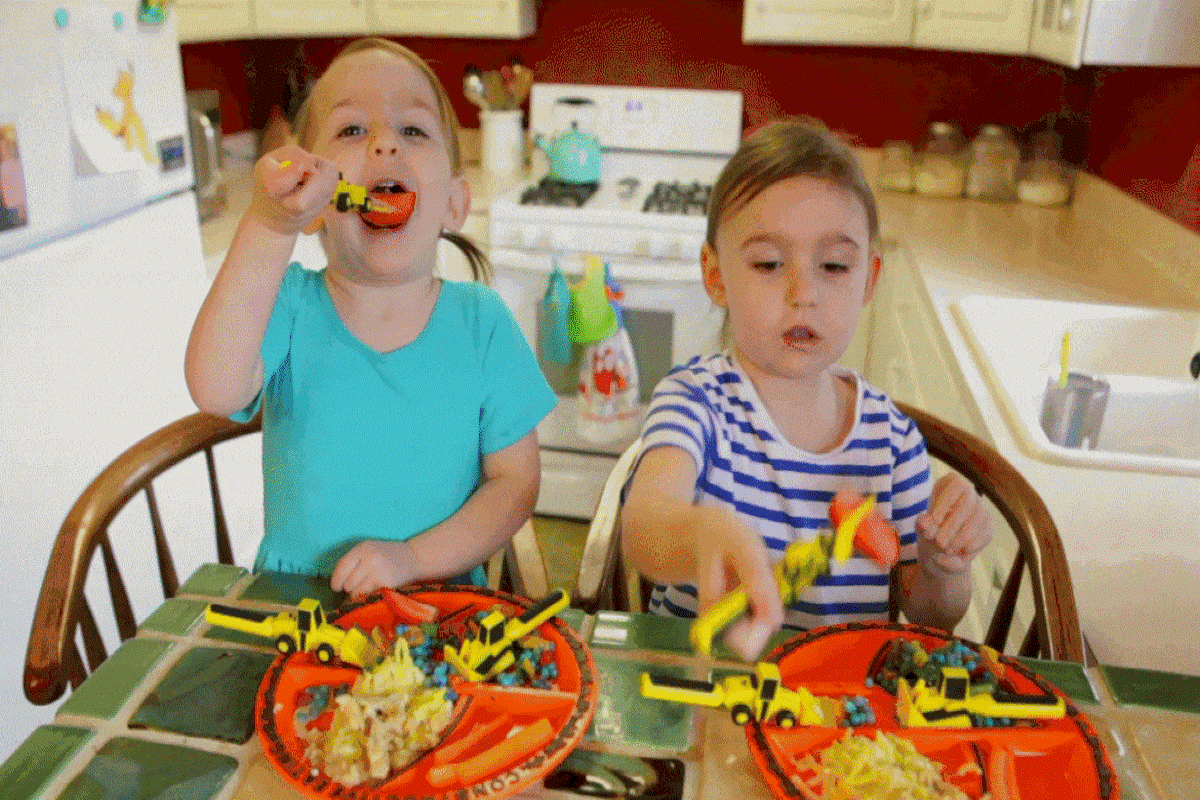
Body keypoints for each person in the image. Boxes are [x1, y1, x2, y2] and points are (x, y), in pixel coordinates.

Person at [185, 38, 555, 596]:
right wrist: (268, 223)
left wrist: (412, 558)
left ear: (455, 203)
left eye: (414, 130)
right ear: (316, 203)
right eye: (352, 129)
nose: (384, 143)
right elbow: (214, 389)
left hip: (440, 607)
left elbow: (516, 485)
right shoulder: (288, 305)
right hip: (300, 614)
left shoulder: (483, 324)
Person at [620, 118, 992, 660]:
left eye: (834, 266)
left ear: (869, 279)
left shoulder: (892, 442)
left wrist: (943, 567)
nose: (803, 293)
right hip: (707, 686)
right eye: (769, 263)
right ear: (716, 274)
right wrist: (700, 534)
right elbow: (644, 525)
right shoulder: (696, 402)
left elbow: (933, 617)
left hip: (841, 700)